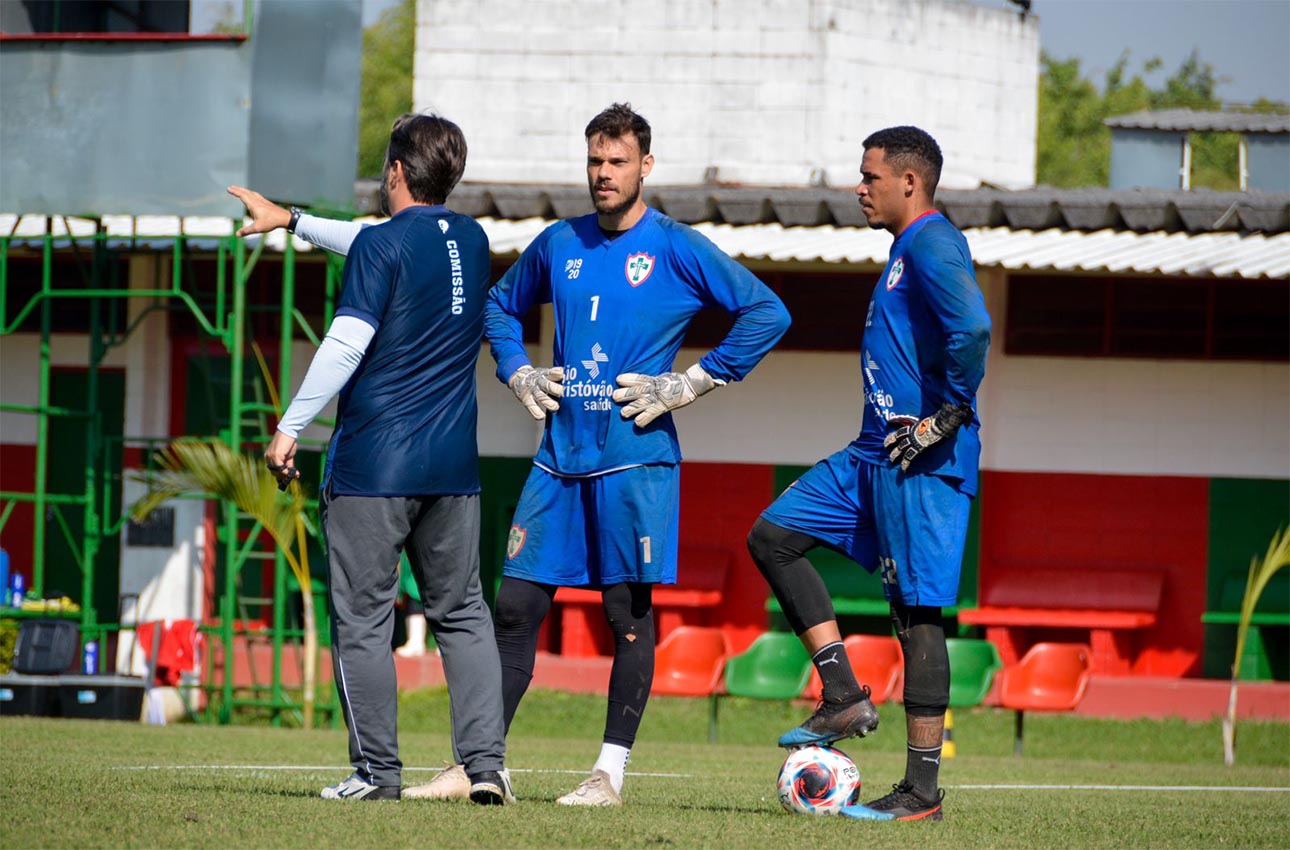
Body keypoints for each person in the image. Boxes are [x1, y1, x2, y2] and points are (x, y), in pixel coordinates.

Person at [484, 102, 790, 806]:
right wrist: (517, 369)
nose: (602, 174)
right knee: (515, 606)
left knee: (626, 613)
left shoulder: (678, 246)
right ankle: (482, 763)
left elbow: (767, 312)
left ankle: (609, 774)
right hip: (558, 458)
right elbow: (499, 307)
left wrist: (692, 382)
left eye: (617, 161)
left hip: (635, 461)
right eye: (594, 161)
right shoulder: (558, 242)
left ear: (646, 166)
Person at [227, 113, 513, 805]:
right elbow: (374, 243)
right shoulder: (471, 241)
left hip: (373, 467)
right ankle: (486, 769)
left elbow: (347, 341)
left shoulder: (383, 246)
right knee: (464, 613)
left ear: (394, 172)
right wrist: (291, 220)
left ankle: (376, 775)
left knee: (362, 618)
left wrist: (290, 426)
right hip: (453, 471)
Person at [747, 126, 990, 822]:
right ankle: (844, 694)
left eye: (870, 176)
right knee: (773, 536)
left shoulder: (935, 241)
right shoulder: (902, 251)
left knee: (917, 618)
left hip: (923, 459)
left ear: (909, 182)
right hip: (870, 453)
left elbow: (972, 329)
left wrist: (948, 415)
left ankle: (922, 794)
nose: (860, 187)